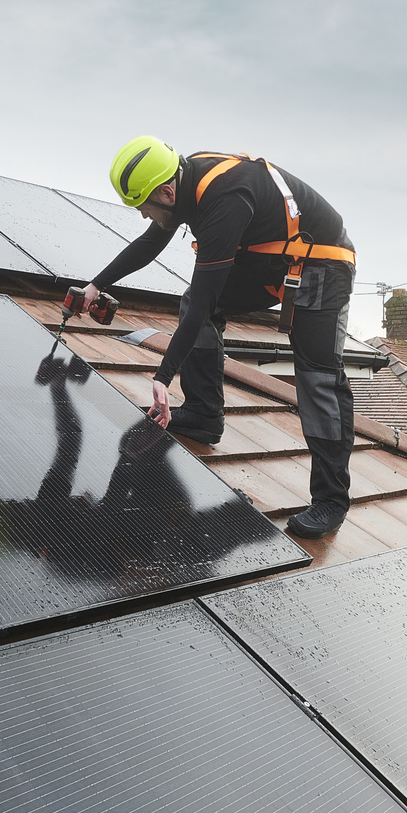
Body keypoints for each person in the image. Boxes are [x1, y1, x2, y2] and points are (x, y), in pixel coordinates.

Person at [77, 136, 356, 540]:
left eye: (144, 207)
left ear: (167, 191)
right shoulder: (185, 180)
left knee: (318, 377)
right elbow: (152, 241)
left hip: (321, 266)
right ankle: (205, 414)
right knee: (194, 303)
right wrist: (95, 285)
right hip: (273, 261)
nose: (143, 216)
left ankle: (331, 500)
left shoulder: (224, 199)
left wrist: (163, 375)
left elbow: (208, 299)